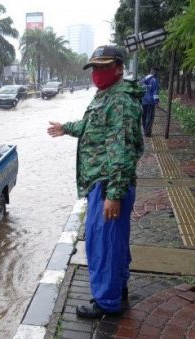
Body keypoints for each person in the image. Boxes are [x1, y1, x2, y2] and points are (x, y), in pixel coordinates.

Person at [47, 45, 144, 318]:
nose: (98, 73)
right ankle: (117, 289)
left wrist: (113, 194)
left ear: (119, 67)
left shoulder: (120, 101)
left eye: (104, 67)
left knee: (103, 244)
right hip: (102, 183)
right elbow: (92, 128)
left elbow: (123, 150)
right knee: (113, 242)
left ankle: (106, 302)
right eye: (94, 68)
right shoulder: (107, 95)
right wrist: (66, 128)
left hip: (108, 185)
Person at [141, 67, 160, 137]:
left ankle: (145, 130)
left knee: (144, 117)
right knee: (149, 117)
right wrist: (156, 102)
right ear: (154, 72)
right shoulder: (154, 80)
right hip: (150, 102)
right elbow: (155, 92)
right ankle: (147, 133)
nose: (157, 74)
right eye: (157, 72)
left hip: (143, 101)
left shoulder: (143, 79)